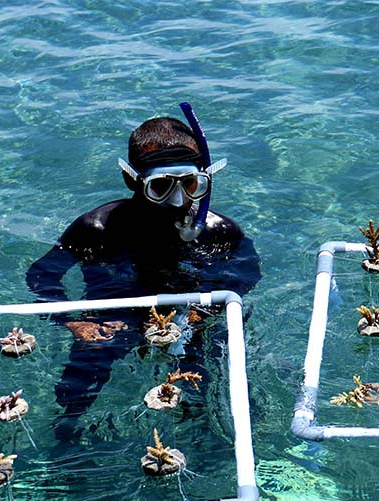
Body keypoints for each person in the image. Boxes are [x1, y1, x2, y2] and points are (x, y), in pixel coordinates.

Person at [26, 104, 261, 442]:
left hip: (189, 317)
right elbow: (41, 276)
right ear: (131, 179)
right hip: (111, 318)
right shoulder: (97, 229)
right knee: (79, 385)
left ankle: (205, 439)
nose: (178, 199)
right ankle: (66, 435)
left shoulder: (218, 230)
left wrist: (203, 313)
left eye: (190, 184)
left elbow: (246, 275)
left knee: (199, 382)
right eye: (162, 186)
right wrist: (75, 321)